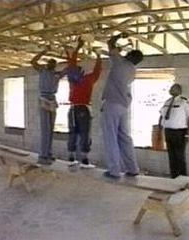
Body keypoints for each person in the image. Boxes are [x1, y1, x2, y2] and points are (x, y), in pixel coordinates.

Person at [101, 32, 143, 179]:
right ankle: (133, 169)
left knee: (111, 138)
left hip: (112, 105)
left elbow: (110, 42)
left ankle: (114, 171)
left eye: (128, 53)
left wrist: (119, 35)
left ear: (130, 57)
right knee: (125, 138)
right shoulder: (133, 70)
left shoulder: (120, 63)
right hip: (124, 107)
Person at [65, 38, 102, 168]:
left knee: (72, 132)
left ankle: (71, 157)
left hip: (72, 109)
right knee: (85, 133)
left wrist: (77, 48)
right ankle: (85, 160)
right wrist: (98, 56)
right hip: (83, 110)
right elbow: (98, 70)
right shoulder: (87, 80)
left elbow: (71, 63)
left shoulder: (72, 81)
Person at [31, 46, 68, 165]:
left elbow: (67, 70)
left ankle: (48, 153)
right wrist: (43, 51)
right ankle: (42, 156)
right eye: (50, 64)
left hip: (50, 99)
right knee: (46, 129)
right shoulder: (45, 72)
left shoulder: (53, 74)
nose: (50, 65)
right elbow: (33, 62)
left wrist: (69, 55)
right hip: (45, 99)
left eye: (52, 64)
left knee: (49, 129)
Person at [159, 83, 189, 178]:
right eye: (170, 88)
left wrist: (187, 134)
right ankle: (174, 177)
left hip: (179, 132)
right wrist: (160, 128)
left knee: (180, 156)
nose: (170, 89)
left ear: (179, 90)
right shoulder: (167, 102)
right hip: (168, 131)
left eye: (173, 88)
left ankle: (183, 178)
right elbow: (162, 115)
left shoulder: (185, 102)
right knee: (171, 155)